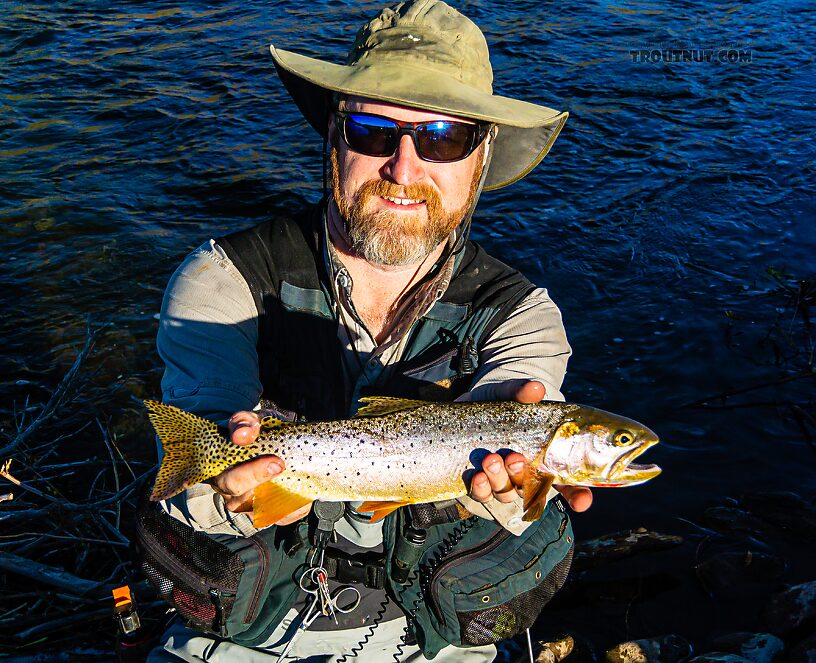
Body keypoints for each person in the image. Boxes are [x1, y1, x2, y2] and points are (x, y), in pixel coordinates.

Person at [146, 1, 591, 661]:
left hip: (436, 639)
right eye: (374, 130)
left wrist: (514, 490)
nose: (404, 169)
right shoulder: (222, 280)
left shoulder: (522, 316)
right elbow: (192, 478)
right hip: (242, 634)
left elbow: (518, 415)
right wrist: (228, 492)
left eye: (443, 137)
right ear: (334, 135)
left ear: (481, 156)